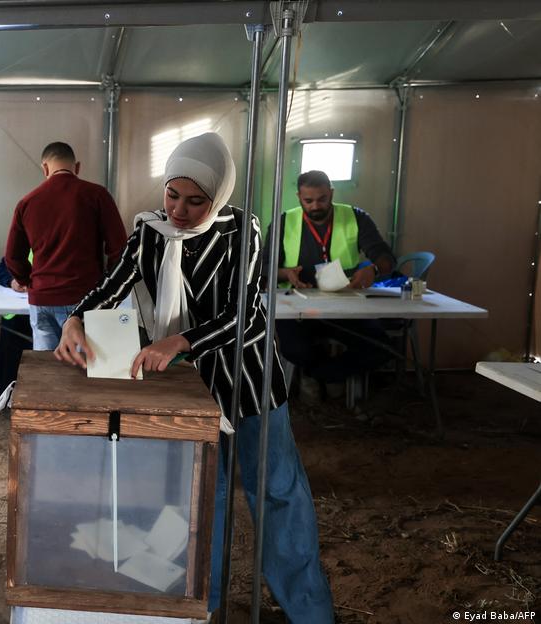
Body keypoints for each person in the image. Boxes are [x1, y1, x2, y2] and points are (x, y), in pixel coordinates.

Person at [55, 133, 335, 622]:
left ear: (218, 196)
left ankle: (309, 610)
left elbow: (246, 314)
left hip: (248, 385)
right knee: (201, 498)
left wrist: (179, 341)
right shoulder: (149, 233)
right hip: (188, 393)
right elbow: (111, 283)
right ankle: (202, 606)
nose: (179, 210)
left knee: (276, 493)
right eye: (171, 195)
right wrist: (75, 318)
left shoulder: (240, 231)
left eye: (195, 200)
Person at [266, 170, 395, 386]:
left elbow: (387, 258)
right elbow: (263, 267)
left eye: (322, 199)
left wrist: (374, 269)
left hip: (344, 305)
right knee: (294, 349)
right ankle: (329, 377)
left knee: (381, 347)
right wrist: (285, 273)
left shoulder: (356, 217)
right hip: (297, 306)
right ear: (299, 197)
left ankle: (322, 376)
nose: (315, 206)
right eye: (308, 200)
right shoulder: (284, 221)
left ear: (332, 193)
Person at [4, 141, 127, 351]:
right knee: (82, 369)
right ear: (76, 167)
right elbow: (120, 249)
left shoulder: (27, 202)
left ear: (44, 168)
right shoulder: (97, 195)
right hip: (86, 297)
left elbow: (12, 257)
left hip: (42, 298)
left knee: (46, 370)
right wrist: (108, 286)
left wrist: (28, 281)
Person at [0, 257, 32, 399]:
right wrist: (12, 282)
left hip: (44, 312)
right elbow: (2, 269)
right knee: (7, 352)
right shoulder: (24, 243)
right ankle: (4, 396)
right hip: (15, 314)